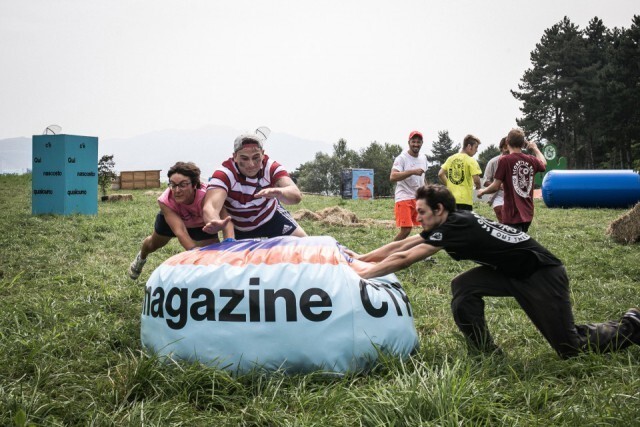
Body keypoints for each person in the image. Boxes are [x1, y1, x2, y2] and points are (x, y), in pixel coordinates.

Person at [346, 184, 640, 359]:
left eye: (421, 212)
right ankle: (485, 351)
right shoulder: (454, 219)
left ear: (437, 209)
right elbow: (407, 242)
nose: (417, 218)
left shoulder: (456, 227)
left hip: (542, 274)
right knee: (464, 286)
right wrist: (362, 258)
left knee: (569, 347)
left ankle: (631, 324)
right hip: (512, 272)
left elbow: (406, 257)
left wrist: (358, 276)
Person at [128, 161, 226, 280]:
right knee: (153, 244)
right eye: (173, 185)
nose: (177, 190)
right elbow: (180, 231)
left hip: (200, 223)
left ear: (194, 184)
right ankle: (141, 257)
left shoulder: (207, 194)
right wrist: (194, 251)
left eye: (183, 185)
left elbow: (223, 217)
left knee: (213, 254)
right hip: (171, 221)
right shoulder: (165, 201)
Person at [202, 130, 307, 239]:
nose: (251, 164)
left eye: (256, 157)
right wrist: (213, 221)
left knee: (305, 245)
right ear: (235, 157)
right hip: (241, 229)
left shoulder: (271, 167)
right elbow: (211, 206)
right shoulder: (224, 174)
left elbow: (296, 195)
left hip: (272, 218)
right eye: (244, 158)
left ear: (263, 154)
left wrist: (280, 192)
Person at [478, 128, 545, 232]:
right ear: (523, 144)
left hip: (511, 213)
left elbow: (496, 186)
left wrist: (483, 191)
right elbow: (543, 163)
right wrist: (535, 148)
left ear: (507, 142)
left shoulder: (504, 160)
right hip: (528, 212)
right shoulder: (531, 159)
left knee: (512, 244)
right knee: (520, 240)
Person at [390, 130, 428, 241]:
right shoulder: (401, 158)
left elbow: (423, 177)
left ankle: (424, 253)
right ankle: (389, 252)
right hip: (404, 198)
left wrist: (427, 192)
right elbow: (393, 177)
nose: (416, 144)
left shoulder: (423, 158)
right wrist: (411, 171)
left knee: (427, 225)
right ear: (409, 142)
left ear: (422, 143)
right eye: (413, 141)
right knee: (406, 230)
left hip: (418, 198)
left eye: (418, 142)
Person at [438, 134, 482, 211]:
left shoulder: (451, 158)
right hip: (465, 201)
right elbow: (476, 180)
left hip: (451, 200)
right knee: (464, 222)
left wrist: (449, 185)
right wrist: (478, 188)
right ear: (469, 146)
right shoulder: (471, 160)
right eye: (476, 147)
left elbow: (440, 174)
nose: (477, 150)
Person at [482, 137, 509, 223]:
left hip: (514, 196)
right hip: (498, 196)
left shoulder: (517, 161)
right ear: (503, 147)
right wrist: (498, 186)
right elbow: (485, 181)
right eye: (509, 145)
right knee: (503, 218)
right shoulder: (493, 162)